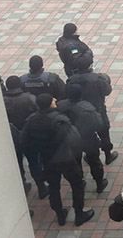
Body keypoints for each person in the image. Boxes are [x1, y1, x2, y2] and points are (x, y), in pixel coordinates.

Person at [21, 94, 95, 226]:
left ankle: (60, 215)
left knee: (54, 188)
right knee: (77, 185)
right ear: (50, 104)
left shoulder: (31, 121)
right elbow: (74, 139)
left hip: (47, 160)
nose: (55, 100)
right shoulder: (59, 120)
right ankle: (79, 214)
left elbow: (25, 141)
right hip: (66, 159)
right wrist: (76, 156)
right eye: (53, 100)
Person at [56, 83, 109, 194]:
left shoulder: (60, 106)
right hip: (87, 140)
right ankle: (99, 183)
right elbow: (99, 124)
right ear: (80, 95)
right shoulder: (87, 108)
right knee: (94, 161)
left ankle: (80, 181)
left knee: (75, 162)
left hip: (69, 140)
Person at [66, 55, 119, 164]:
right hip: (98, 110)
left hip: (79, 112)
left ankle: (89, 154)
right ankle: (108, 155)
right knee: (104, 132)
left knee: (85, 134)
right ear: (90, 65)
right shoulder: (97, 78)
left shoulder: (71, 80)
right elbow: (107, 91)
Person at [2, 76, 43, 197]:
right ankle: (41, 187)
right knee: (34, 161)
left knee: (17, 162)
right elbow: (39, 113)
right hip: (29, 135)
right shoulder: (29, 98)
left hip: (12, 136)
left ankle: (23, 184)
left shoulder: (2, 101)